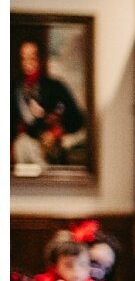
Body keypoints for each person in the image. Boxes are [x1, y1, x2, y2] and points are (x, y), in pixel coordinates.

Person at [12, 37, 86, 176]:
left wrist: (57, 132)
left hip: (48, 152)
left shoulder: (55, 87)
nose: (28, 63)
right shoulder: (15, 89)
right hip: (22, 150)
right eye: (24, 58)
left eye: (32, 58)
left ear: (40, 59)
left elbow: (77, 119)